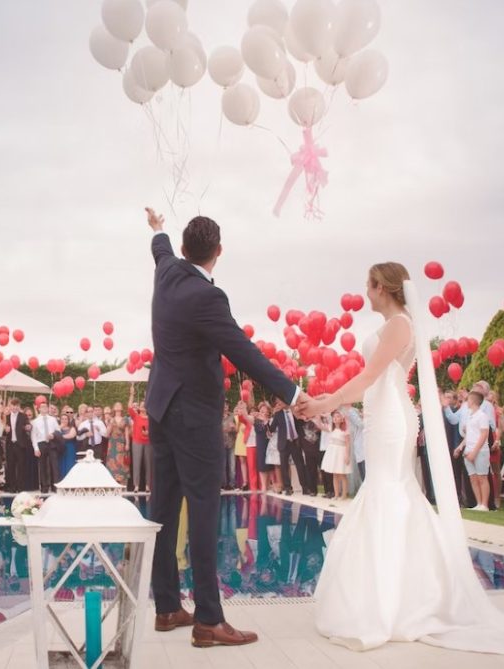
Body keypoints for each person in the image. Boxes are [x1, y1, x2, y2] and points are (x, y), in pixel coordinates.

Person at [306, 262, 504, 657]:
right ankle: (396, 592)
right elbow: (370, 380)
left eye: (369, 285)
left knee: (391, 490)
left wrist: (325, 402)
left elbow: (369, 375)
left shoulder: (398, 325)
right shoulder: (397, 324)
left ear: (382, 286)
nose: (366, 291)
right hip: (384, 411)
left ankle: (398, 600)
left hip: (391, 416)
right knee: (391, 490)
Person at [143, 208, 308, 648]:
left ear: (182, 248)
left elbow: (158, 248)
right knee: (202, 511)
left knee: (161, 511)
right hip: (194, 417)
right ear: (218, 252)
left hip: (159, 408)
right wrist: (292, 395)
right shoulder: (207, 297)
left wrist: (157, 227)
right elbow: (244, 352)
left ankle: (165, 608)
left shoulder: (166, 273)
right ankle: (208, 620)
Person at [455, 391, 491, 511]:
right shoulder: (470, 415)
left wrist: (475, 452)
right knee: (473, 478)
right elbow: (469, 435)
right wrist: (460, 447)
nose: (467, 402)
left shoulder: (482, 415)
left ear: (473, 401)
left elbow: (484, 434)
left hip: (480, 451)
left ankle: (484, 504)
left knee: (482, 477)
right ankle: (478, 503)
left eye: (468, 400)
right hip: (468, 450)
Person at [320, 410, 352, 498]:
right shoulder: (331, 428)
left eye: (337, 416)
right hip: (333, 453)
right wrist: (317, 417)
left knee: (342, 474)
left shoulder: (345, 430)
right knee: (335, 474)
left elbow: (347, 443)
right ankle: (336, 494)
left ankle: (344, 494)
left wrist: (347, 455)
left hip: (341, 452)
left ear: (342, 419)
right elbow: (320, 426)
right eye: (334, 417)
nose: (335, 418)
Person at [31, 401, 60, 493]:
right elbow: (33, 436)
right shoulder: (35, 421)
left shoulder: (52, 419)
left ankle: (55, 485)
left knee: (54, 465)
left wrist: (53, 435)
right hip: (41, 443)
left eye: (45, 407)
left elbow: (58, 430)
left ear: (47, 408)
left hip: (51, 442)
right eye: (42, 407)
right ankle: (44, 486)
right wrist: (36, 448)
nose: (44, 409)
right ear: (39, 409)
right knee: (42, 466)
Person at [5, 398, 32, 493]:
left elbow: (28, 425)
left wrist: (29, 427)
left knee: (21, 467)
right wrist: (5, 430)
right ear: (10, 406)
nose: (15, 407)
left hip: (20, 445)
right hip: (10, 445)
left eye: (16, 405)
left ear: (19, 406)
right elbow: (2, 431)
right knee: (11, 467)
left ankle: (20, 487)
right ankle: (12, 487)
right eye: (13, 405)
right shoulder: (6, 417)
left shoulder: (23, 416)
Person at [105, 402, 131, 487]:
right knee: (112, 464)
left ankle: (123, 486)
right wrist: (110, 424)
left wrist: (127, 444)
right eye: (116, 405)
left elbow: (127, 433)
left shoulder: (125, 419)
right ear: (114, 408)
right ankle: (112, 486)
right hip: (112, 444)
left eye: (119, 405)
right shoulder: (111, 419)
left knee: (122, 464)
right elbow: (107, 434)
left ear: (122, 408)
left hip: (122, 444)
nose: (118, 406)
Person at [58, 405, 78, 479]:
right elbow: (54, 434)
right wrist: (59, 427)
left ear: (68, 420)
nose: (64, 420)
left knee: (70, 464)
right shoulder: (58, 427)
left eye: (66, 419)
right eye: (62, 419)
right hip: (60, 449)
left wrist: (59, 436)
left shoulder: (72, 428)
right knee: (61, 464)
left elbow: (71, 435)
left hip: (70, 448)